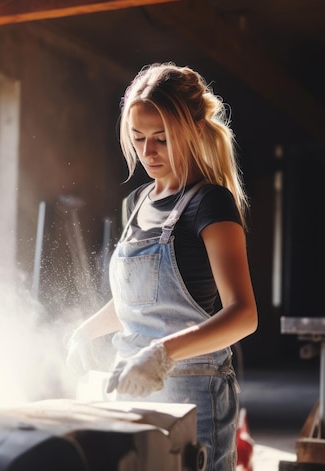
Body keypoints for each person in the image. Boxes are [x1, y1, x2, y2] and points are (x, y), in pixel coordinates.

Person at [66, 62, 258, 471]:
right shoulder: (135, 204)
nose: (148, 152)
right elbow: (138, 303)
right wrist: (85, 331)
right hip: (130, 390)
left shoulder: (210, 203)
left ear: (191, 132)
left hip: (193, 396)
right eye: (138, 139)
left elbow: (243, 315)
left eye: (161, 139)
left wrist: (162, 354)